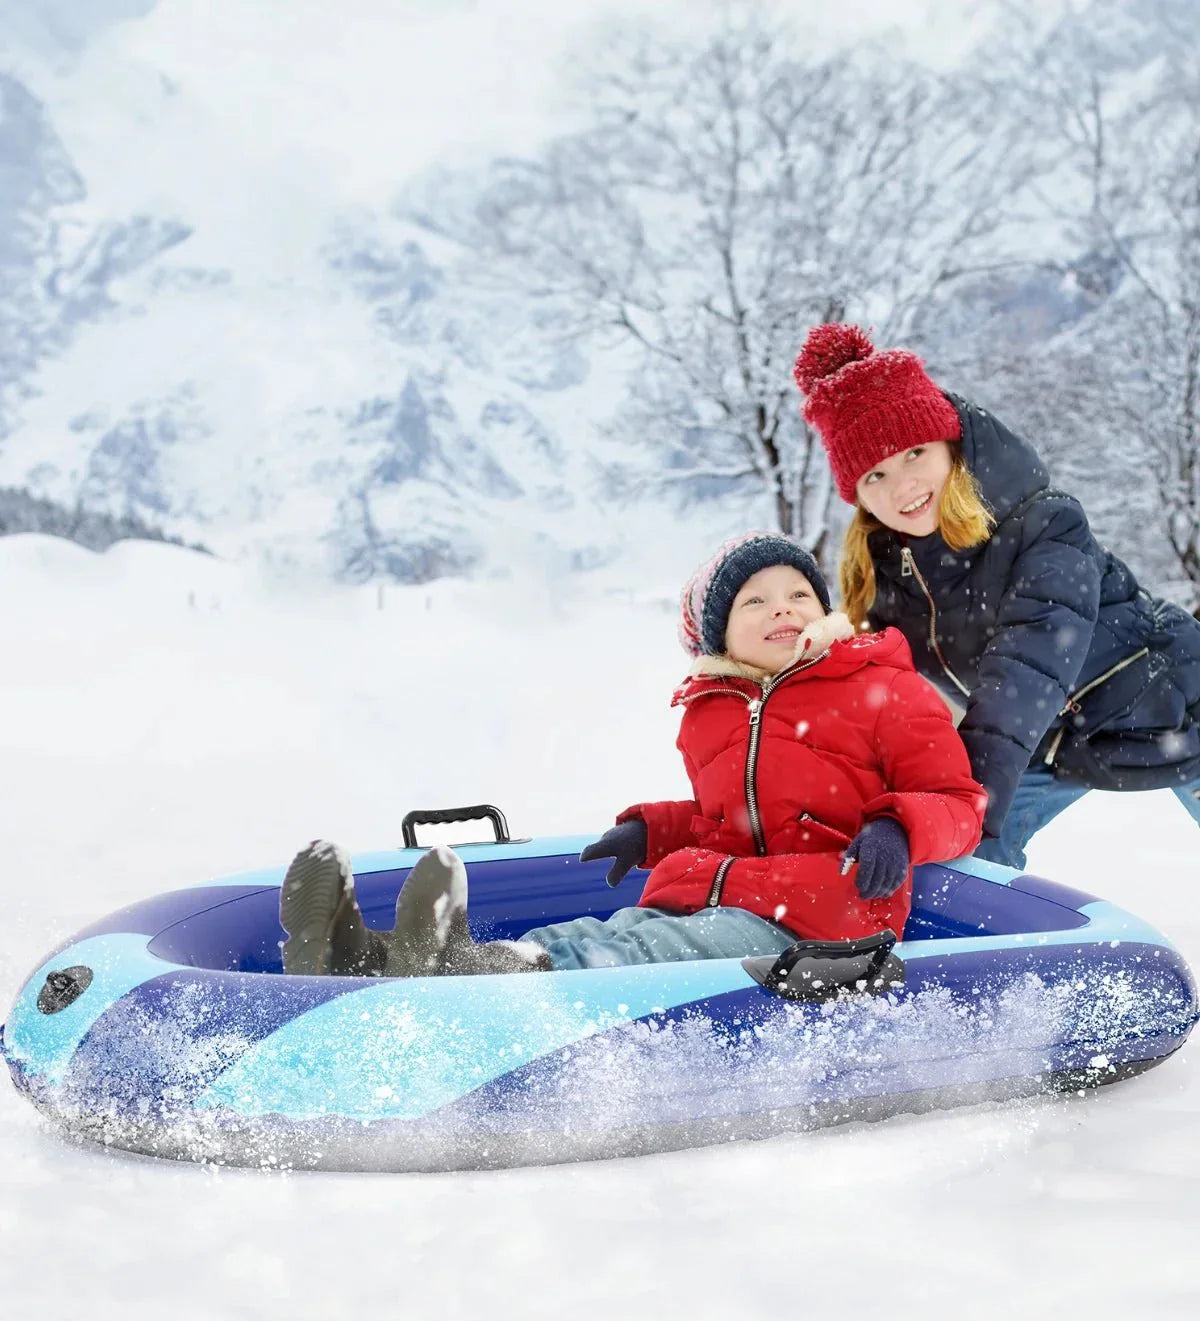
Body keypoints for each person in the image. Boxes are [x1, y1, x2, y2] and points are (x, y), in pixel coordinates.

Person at [278, 533, 985, 978]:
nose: (783, 608)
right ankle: (371, 960)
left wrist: (896, 827)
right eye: (755, 602)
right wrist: (655, 831)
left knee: (637, 955)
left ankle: (471, 978)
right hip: (723, 892)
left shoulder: (881, 688)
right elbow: (728, 823)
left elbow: (958, 803)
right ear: (719, 637)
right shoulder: (714, 713)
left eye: (799, 594)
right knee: (598, 933)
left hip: (823, 915)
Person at [793, 323, 1200, 868]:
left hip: (1171, 700)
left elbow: (1024, 674)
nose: (901, 485)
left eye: (915, 452)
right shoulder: (888, 575)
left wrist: (959, 811)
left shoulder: (1044, 524)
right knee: (962, 867)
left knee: (964, 829)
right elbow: (877, 700)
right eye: (875, 475)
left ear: (951, 446)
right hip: (1057, 741)